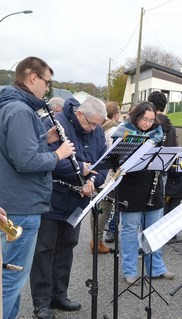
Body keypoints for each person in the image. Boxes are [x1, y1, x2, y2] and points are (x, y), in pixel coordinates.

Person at [0, 56, 75, 319]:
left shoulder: (10, 107)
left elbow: (13, 150)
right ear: (33, 77)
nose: (48, 89)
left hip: (13, 201)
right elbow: (25, 160)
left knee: (10, 277)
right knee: (10, 280)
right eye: (47, 82)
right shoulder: (20, 110)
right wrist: (59, 154)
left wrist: (45, 138)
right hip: (21, 205)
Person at [29, 97, 108, 319]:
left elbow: (103, 161)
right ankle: (42, 302)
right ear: (80, 114)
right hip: (52, 198)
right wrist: (80, 172)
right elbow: (47, 158)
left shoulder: (97, 129)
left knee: (67, 247)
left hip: (78, 200)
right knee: (44, 250)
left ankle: (59, 294)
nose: (94, 129)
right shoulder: (55, 122)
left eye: (97, 126)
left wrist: (94, 181)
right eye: (91, 124)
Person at [112, 101, 174, 285]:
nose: (148, 124)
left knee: (154, 231)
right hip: (130, 188)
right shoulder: (122, 132)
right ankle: (130, 270)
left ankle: (156, 268)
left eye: (151, 120)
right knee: (130, 231)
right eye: (144, 119)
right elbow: (115, 162)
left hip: (152, 188)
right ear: (136, 116)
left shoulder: (158, 133)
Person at [89, 101, 122, 252]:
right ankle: (97, 241)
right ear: (115, 114)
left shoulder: (100, 128)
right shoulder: (114, 129)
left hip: (98, 173)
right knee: (105, 206)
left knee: (97, 206)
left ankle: (95, 239)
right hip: (108, 175)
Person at [148, 91, 182, 218]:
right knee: (159, 207)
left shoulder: (150, 124)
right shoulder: (171, 126)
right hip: (165, 169)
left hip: (149, 169)